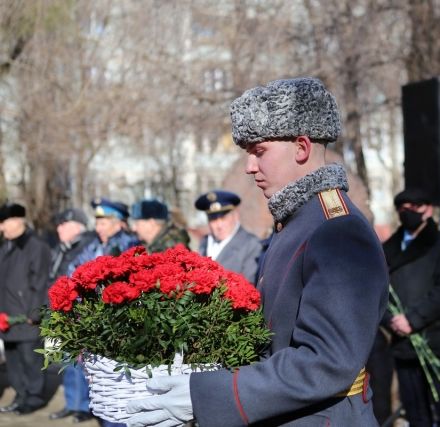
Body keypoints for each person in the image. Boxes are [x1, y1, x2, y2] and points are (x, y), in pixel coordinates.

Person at [126, 77, 389, 427]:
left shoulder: (337, 230)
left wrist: (208, 395)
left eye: (259, 151)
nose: (250, 167)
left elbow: (325, 362)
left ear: (301, 147)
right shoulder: (299, 221)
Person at [380, 188, 440, 427]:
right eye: (402, 208)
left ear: (428, 209)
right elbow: (377, 291)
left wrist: (412, 319)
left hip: (436, 343)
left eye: (414, 207)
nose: (407, 212)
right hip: (403, 345)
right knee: (417, 417)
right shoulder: (387, 249)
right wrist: (390, 320)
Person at [67, 198, 140, 427]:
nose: (98, 227)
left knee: (117, 380)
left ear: (118, 223)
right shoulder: (92, 246)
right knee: (98, 380)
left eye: (104, 222)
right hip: (92, 322)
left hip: (118, 324)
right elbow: (74, 272)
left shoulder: (129, 246)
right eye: (97, 222)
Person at [0, 203, 51, 415]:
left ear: (17, 220)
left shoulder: (36, 246)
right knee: (13, 363)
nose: (1, 229)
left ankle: (34, 397)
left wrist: (35, 314)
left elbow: (41, 283)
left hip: (26, 317)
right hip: (7, 317)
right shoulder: (5, 247)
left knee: (31, 360)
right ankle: (20, 396)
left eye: (3, 223)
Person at [48, 208, 97, 423]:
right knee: (66, 361)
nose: (58, 228)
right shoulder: (62, 248)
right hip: (61, 310)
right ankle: (72, 404)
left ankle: (85, 407)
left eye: (63, 224)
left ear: (77, 226)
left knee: (83, 363)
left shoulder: (86, 246)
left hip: (78, 312)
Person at [195, 190, 262, 283]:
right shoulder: (205, 242)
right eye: (213, 219)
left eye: (223, 218)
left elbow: (249, 286)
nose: (219, 225)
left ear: (235, 215)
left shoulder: (252, 244)